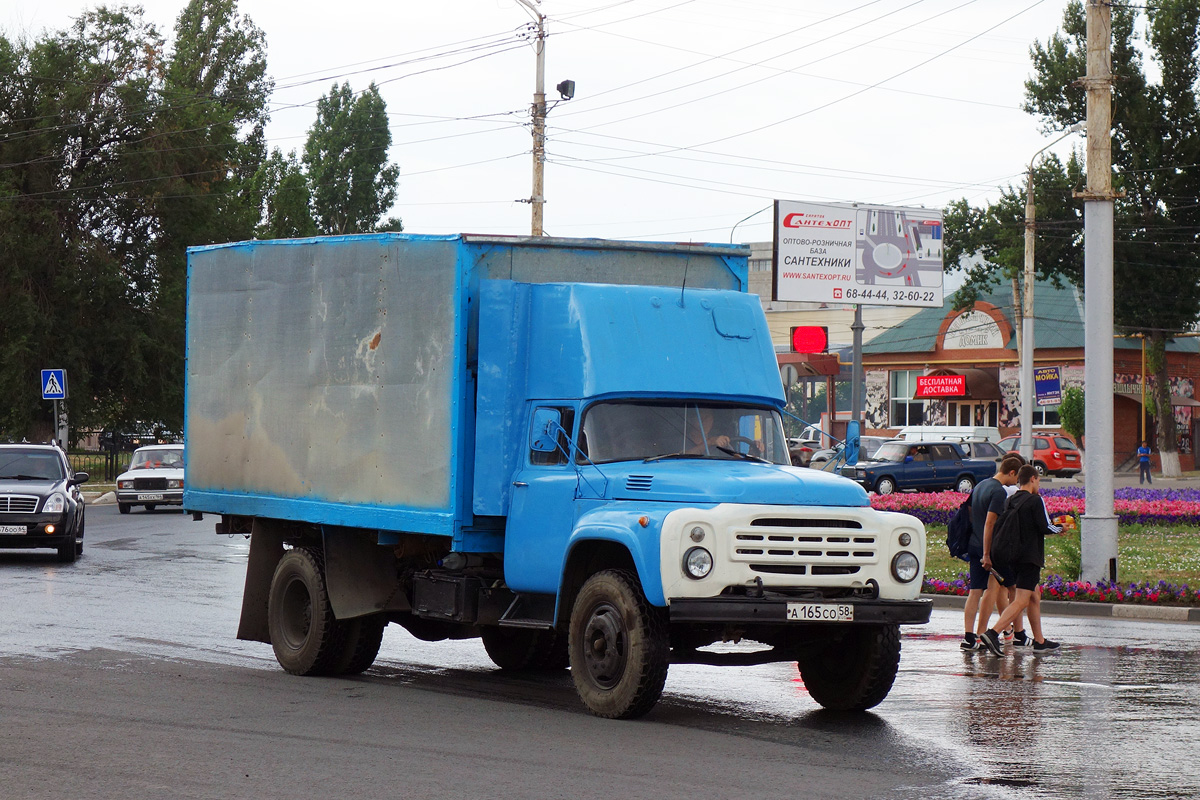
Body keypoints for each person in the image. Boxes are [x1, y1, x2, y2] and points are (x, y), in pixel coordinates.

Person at [980, 465, 1062, 656]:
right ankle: (993, 633)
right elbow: (1045, 526)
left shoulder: (1011, 499)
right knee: (1022, 600)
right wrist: (1062, 528)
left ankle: (1040, 642)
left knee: (1034, 596)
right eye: (1038, 480)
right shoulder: (1035, 500)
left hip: (1012, 555)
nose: (1038, 484)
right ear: (1033, 479)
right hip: (1029, 557)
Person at [960, 454, 1025, 650]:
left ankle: (969, 637)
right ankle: (1012, 632)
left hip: (973, 545)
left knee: (975, 591)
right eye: (1016, 478)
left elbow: (971, 513)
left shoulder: (981, 485)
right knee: (1013, 588)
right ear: (1012, 472)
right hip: (990, 550)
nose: (1016, 482)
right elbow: (990, 522)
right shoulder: (998, 492)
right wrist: (987, 554)